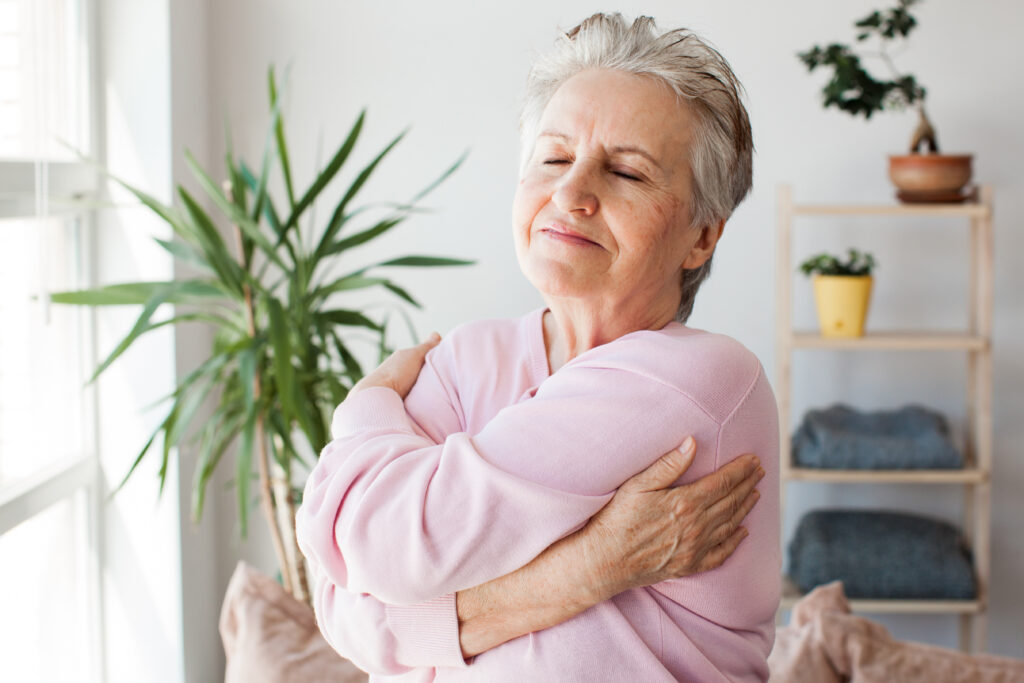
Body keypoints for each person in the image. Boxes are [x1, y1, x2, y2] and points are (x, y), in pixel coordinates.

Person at [296, 12, 780, 681]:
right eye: (554, 158)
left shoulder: (703, 379)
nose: (571, 192)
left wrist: (366, 404)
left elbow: (385, 543)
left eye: (628, 173)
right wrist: (593, 567)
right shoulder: (467, 358)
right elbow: (340, 602)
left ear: (702, 236)